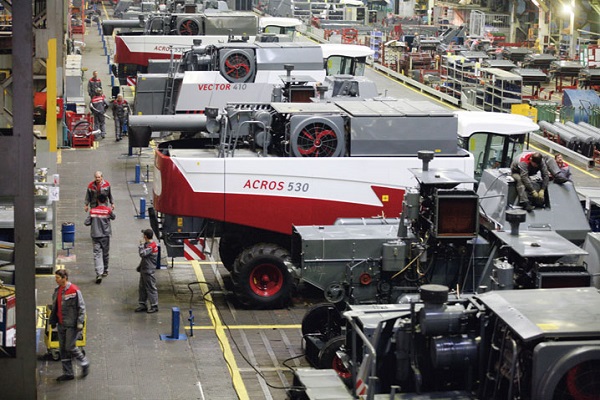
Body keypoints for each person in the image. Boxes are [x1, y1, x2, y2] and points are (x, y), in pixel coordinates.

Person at [48, 268, 90, 381]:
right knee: (62, 349)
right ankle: (68, 373)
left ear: (64, 278)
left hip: (72, 324)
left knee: (69, 346)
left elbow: (81, 307)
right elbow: (55, 307)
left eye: (57, 277)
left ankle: (84, 362)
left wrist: (80, 322)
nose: (56, 280)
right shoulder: (57, 290)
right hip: (61, 323)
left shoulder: (74, 290)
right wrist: (53, 321)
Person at [84, 193, 116, 283]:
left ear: (97, 201)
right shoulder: (108, 210)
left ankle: (99, 273)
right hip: (105, 236)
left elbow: (86, 222)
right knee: (105, 253)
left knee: (97, 254)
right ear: (105, 201)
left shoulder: (92, 211)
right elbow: (113, 217)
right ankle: (105, 270)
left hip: (95, 236)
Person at [135, 229, 159, 314]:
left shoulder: (151, 246)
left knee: (151, 287)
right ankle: (142, 304)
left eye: (143, 235)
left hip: (148, 270)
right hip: (144, 269)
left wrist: (141, 245)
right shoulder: (149, 244)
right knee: (142, 287)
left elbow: (142, 254)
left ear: (145, 236)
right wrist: (140, 266)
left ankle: (154, 305)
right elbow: (145, 259)